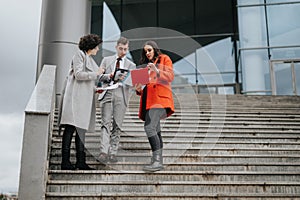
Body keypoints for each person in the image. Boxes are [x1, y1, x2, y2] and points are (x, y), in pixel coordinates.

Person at [59, 34, 103, 170]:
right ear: (91, 46)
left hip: (83, 101)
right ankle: (65, 162)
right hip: (74, 100)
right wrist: (96, 74)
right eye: (97, 47)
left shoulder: (89, 59)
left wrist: (96, 89)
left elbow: (88, 81)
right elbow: (78, 75)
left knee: (81, 133)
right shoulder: (79, 55)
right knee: (70, 130)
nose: (98, 50)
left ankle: (80, 162)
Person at [135, 40, 175, 172]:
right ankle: (157, 160)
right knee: (156, 130)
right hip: (149, 101)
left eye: (149, 50)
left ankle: (157, 160)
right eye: (145, 51)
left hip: (159, 100)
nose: (147, 53)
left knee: (149, 127)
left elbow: (170, 76)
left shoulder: (164, 59)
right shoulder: (144, 66)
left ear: (155, 49)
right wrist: (138, 87)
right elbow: (143, 89)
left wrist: (157, 70)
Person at [97, 37, 136, 164]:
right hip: (107, 92)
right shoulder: (106, 60)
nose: (123, 51)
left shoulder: (132, 65)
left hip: (121, 94)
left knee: (117, 125)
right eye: (121, 49)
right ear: (116, 47)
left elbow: (133, 84)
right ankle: (103, 151)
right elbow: (98, 76)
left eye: (125, 49)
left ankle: (113, 152)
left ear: (128, 48)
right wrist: (110, 76)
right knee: (105, 123)